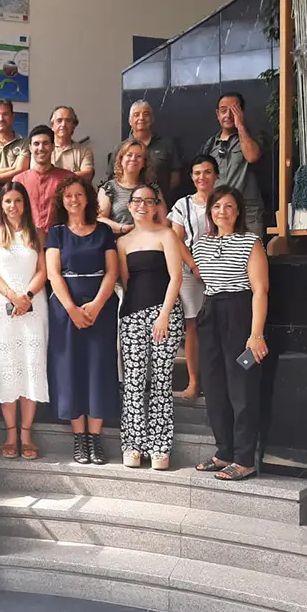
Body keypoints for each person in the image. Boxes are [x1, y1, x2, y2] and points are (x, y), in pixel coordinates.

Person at [191, 186, 269, 481]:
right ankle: (224, 452)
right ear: (209, 212)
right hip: (211, 312)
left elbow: (260, 290)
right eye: (216, 206)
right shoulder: (201, 244)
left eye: (228, 206)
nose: (222, 211)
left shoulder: (251, 242)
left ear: (238, 212)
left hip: (240, 313)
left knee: (241, 387)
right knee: (214, 386)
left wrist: (256, 334)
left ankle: (244, 459)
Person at [45, 177, 118, 465]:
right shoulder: (56, 233)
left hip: (101, 307)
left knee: (99, 368)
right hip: (66, 308)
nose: (74, 200)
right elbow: (53, 273)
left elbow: (112, 272)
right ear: (61, 201)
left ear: (88, 198)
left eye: (78, 194)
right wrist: (72, 310)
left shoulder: (103, 231)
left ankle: (95, 438)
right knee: (70, 369)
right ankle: (79, 437)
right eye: (68, 196)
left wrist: (97, 304)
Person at [116, 185, 184, 470]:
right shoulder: (122, 242)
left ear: (157, 206)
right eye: (137, 201)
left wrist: (164, 314)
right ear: (129, 206)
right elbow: (125, 281)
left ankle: (160, 446)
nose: (142, 206)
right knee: (133, 382)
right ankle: (133, 445)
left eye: (148, 201)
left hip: (165, 315)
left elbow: (176, 277)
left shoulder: (167, 235)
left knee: (161, 382)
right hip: (132, 315)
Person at [0, 181, 49, 460]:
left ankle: (26, 434)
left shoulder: (37, 232)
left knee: (32, 366)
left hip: (34, 306)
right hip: (1, 306)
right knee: (7, 368)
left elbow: (43, 270)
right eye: (7, 201)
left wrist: (27, 296)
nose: (12, 206)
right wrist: (12, 296)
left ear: (25, 204)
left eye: (18, 200)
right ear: (1, 204)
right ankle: (10, 434)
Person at [168, 154, 219, 401]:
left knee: (218, 324)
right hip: (189, 272)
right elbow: (176, 239)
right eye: (197, 173)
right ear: (191, 176)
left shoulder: (224, 200)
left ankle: (215, 381)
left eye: (208, 172)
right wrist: (194, 265)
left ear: (216, 175)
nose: (202, 177)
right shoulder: (182, 205)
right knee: (193, 325)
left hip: (220, 269)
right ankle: (194, 381)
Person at [201, 92, 266, 238]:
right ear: (217, 114)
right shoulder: (211, 144)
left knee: (250, 250)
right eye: (223, 110)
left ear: (241, 112)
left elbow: (252, 156)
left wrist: (240, 125)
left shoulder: (252, 137)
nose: (228, 115)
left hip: (247, 211)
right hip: (220, 212)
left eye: (234, 110)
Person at [98, 138, 165, 235]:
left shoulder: (153, 189)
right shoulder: (109, 188)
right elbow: (100, 219)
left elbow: (163, 221)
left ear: (144, 162)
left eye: (139, 156)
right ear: (121, 160)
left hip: (149, 238)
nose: (133, 159)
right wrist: (124, 228)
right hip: (118, 239)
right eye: (129, 155)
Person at [14, 125, 73, 232]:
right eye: (36, 144)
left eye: (45, 143)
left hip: (60, 237)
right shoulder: (18, 181)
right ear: (30, 148)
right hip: (27, 237)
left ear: (53, 147)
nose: (41, 148)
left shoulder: (68, 178)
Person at [127, 100, 180, 203]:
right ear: (130, 121)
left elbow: (175, 178)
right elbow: (115, 179)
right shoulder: (121, 148)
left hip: (161, 203)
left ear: (152, 119)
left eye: (146, 114)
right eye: (136, 115)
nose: (141, 118)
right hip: (129, 205)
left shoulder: (167, 145)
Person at [50, 106, 94, 184]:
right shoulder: (43, 148)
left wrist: (55, 177)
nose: (63, 124)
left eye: (68, 120)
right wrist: (73, 175)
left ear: (73, 126)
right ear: (52, 125)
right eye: (59, 120)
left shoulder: (84, 151)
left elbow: (88, 174)